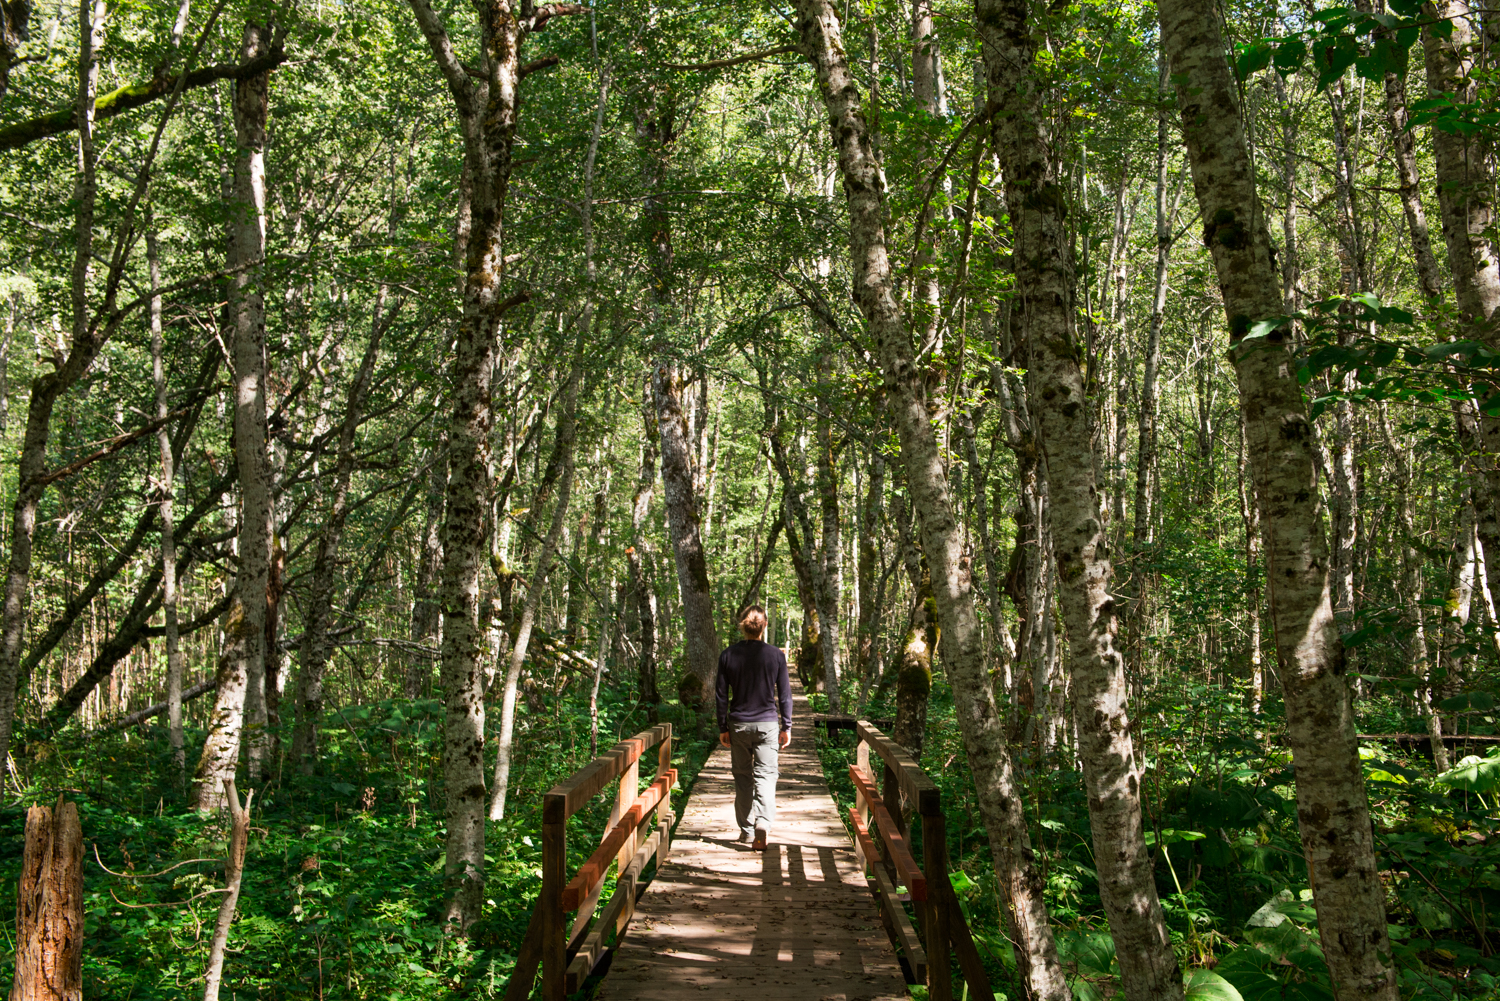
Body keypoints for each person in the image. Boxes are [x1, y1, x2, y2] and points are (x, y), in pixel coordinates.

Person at [715, 604, 792, 851]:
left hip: (738, 724)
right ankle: (763, 823)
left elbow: (720, 695)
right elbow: (785, 695)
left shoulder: (728, 655)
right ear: (764, 625)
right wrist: (786, 725)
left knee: (743, 777)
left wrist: (722, 726)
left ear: (742, 625)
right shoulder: (776, 655)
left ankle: (747, 831)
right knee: (767, 776)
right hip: (767, 724)